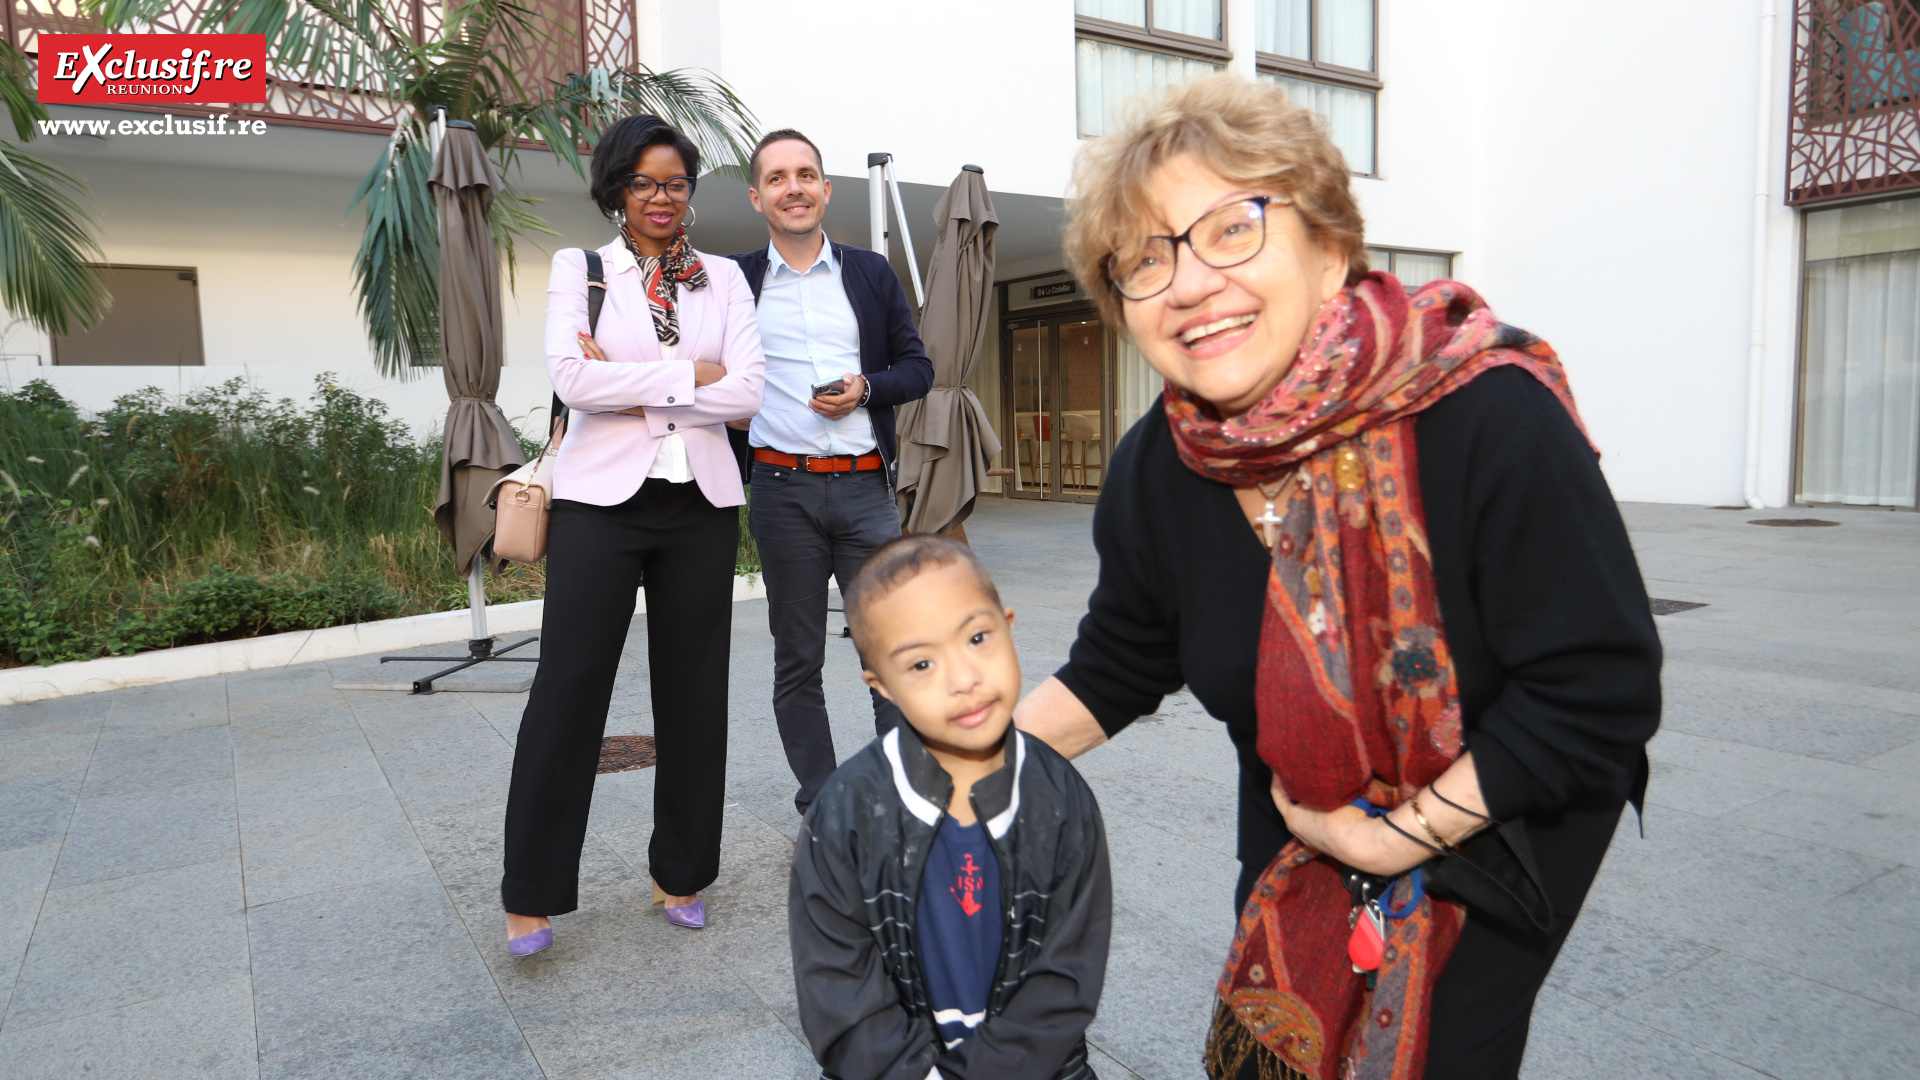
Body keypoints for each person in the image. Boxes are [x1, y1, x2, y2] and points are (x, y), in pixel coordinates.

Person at [1014, 75, 1663, 1080]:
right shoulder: (1161, 465)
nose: (1188, 282)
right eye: (1144, 257)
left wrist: (1397, 838)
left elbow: (1597, 692)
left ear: (1328, 247)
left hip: (1511, 808)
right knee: (1276, 1040)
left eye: (1231, 229)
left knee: (1442, 1052)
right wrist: (948, 772)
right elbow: (1120, 660)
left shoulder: (1485, 413)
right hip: (1294, 803)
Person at [501, 114, 765, 953]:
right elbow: (573, 381)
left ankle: (680, 874)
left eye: (677, 183)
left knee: (695, 695)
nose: (662, 198)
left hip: (702, 508)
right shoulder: (580, 271)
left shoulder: (722, 276)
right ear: (617, 190)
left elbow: (749, 393)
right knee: (568, 689)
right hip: (598, 508)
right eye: (646, 183)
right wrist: (692, 376)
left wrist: (630, 383)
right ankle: (531, 893)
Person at [790, 535, 1111, 1080]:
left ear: (1009, 626)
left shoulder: (1061, 799)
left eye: (978, 637)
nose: (963, 678)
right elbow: (838, 987)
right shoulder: (844, 815)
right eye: (920, 665)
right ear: (881, 687)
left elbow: (1066, 976)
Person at [727, 129, 936, 815]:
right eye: (779, 177)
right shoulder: (736, 281)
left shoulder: (870, 274)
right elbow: (707, 370)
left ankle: (898, 793)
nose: (795, 187)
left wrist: (866, 387)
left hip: (865, 490)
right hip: (781, 491)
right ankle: (823, 802)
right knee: (799, 658)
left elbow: (918, 368)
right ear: (758, 197)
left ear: (825, 188)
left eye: (806, 174)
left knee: (893, 650)